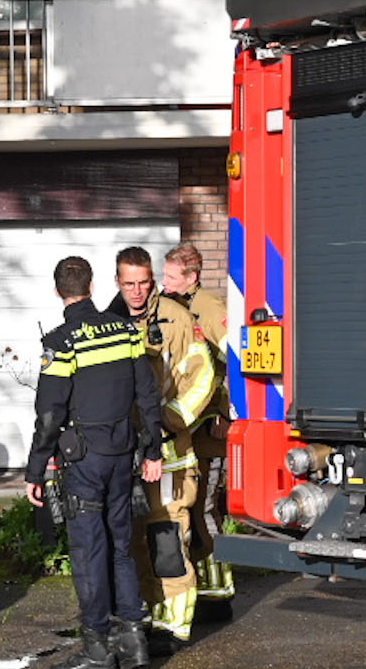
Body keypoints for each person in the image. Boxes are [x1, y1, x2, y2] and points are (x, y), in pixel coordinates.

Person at [26, 255, 165, 669]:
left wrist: (36, 470)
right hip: (123, 456)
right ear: (92, 285)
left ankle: (97, 649)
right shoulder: (125, 330)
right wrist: (153, 449)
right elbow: (148, 393)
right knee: (121, 547)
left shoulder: (61, 341)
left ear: (58, 291)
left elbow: (49, 414)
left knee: (89, 551)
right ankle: (135, 643)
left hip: (83, 461)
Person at [108, 246, 215, 655]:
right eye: (129, 283)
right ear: (117, 282)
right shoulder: (108, 322)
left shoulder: (177, 318)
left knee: (167, 538)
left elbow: (202, 375)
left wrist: (172, 418)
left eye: (144, 282)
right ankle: (149, 619)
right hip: (125, 455)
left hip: (170, 455)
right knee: (134, 540)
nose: (137, 291)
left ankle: (176, 628)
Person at [159, 243, 237, 617]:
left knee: (205, 507)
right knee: (190, 506)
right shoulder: (174, 308)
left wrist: (226, 411)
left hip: (209, 427)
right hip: (188, 426)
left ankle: (218, 592)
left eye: (170, 277)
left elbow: (235, 360)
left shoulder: (209, 308)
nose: (163, 282)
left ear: (191, 277)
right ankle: (204, 585)